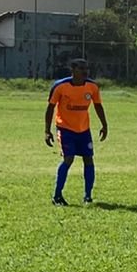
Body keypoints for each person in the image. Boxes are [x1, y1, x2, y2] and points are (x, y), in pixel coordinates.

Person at [44, 59, 109, 206]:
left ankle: (88, 196)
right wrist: (47, 131)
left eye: (87, 69)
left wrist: (104, 125)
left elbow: (98, 106)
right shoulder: (60, 86)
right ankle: (57, 196)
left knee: (88, 159)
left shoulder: (92, 87)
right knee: (68, 159)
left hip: (83, 130)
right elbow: (50, 108)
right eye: (81, 69)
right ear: (72, 70)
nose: (85, 72)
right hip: (65, 129)